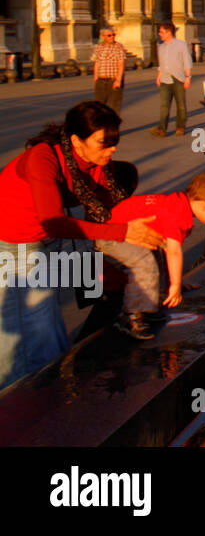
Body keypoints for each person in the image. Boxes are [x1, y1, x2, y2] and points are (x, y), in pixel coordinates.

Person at [0, 102, 163, 387]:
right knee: (26, 333)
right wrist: (122, 233)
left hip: (46, 241)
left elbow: (114, 212)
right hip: (13, 244)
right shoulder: (42, 158)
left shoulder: (97, 163)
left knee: (46, 327)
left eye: (115, 142)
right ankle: (22, 406)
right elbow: (54, 221)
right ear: (76, 140)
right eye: (104, 143)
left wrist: (159, 271)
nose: (111, 149)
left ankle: (47, 393)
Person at [101, 171, 205, 339]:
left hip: (117, 231)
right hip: (111, 236)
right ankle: (131, 316)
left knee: (155, 258)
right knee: (144, 263)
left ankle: (147, 307)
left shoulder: (178, 204)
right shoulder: (177, 214)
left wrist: (176, 281)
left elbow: (166, 250)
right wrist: (175, 284)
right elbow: (174, 252)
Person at [151, 21, 191, 137]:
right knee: (164, 106)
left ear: (169, 33)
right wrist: (159, 76)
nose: (160, 34)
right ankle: (161, 129)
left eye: (162, 32)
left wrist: (188, 77)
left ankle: (180, 127)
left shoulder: (181, 45)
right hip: (165, 79)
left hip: (178, 78)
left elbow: (187, 62)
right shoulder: (161, 47)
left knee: (181, 105)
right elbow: (161, 64)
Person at [91, 27, 127, 115]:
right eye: (109, 35)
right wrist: (96, 79)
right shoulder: (99, 47)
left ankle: (113, 127)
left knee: (114, 107)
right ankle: (101, 127)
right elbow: (97, 63)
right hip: (101, 80)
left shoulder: (118, 47)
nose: (112, 37)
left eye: (113, 35)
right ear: (103, 37)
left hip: (113, 81)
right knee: (98, 107)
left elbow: (121, 64)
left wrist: (118, 80)